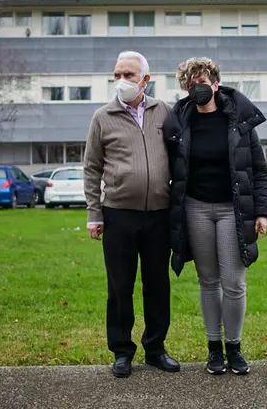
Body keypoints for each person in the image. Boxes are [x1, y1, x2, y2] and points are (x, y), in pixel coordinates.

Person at [163, 57, 267, 376]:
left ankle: (234, 348)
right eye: (191, 84)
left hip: (232, 210)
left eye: (202, 82)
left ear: (215, 84)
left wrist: (263, 211)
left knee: (234, 283)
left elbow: (259, 170)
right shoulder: (179, 124)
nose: (197, 87)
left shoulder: (239, 121)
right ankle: (214, 349)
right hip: (196, 208)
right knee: (208, 282)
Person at [83, 51, 179, 378]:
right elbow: (91, 168)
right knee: (120, 287)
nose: (121, 80)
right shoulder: (102, 117)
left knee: (157, 285)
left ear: (145, 80)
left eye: (129, 74)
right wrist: (94, 214)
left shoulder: (163, 111)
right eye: (117, 74)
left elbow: (179, 154)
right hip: (118, 215)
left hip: (159, 215)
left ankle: (156, 348)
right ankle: (122, 351)